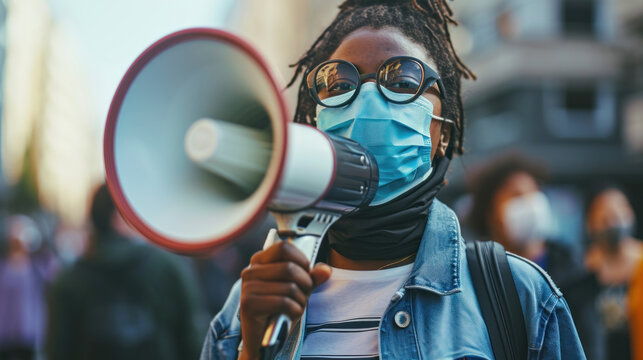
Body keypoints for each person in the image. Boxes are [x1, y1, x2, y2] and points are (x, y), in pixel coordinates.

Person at [201, 1, 585, 359]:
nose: (367, 100)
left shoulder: (518, 296)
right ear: (315, 119)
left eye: (403, 81)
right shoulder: (248, 307)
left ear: (444, 133)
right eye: (338, 84)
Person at [466, 153, 603, 359]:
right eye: (516, 195)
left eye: (534, 192)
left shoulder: (575, 270)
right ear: (490, 212)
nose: (530, 204)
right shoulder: (475, 276)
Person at [46, 184, 205, 360]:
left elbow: (57, 351)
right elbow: (192, 343)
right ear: (118, 216)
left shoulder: (68, 280)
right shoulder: (170, 268)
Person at [585, 186, 643, 360]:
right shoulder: (582, 269)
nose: (613, 219)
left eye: (620, 208)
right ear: (590, 222)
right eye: (604, 211)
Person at [0, 214, 58, 360]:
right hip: (5, 336)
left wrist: (45, 241)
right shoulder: (4, 268)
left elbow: (57, 273)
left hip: (31, 335)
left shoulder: (38, 267)